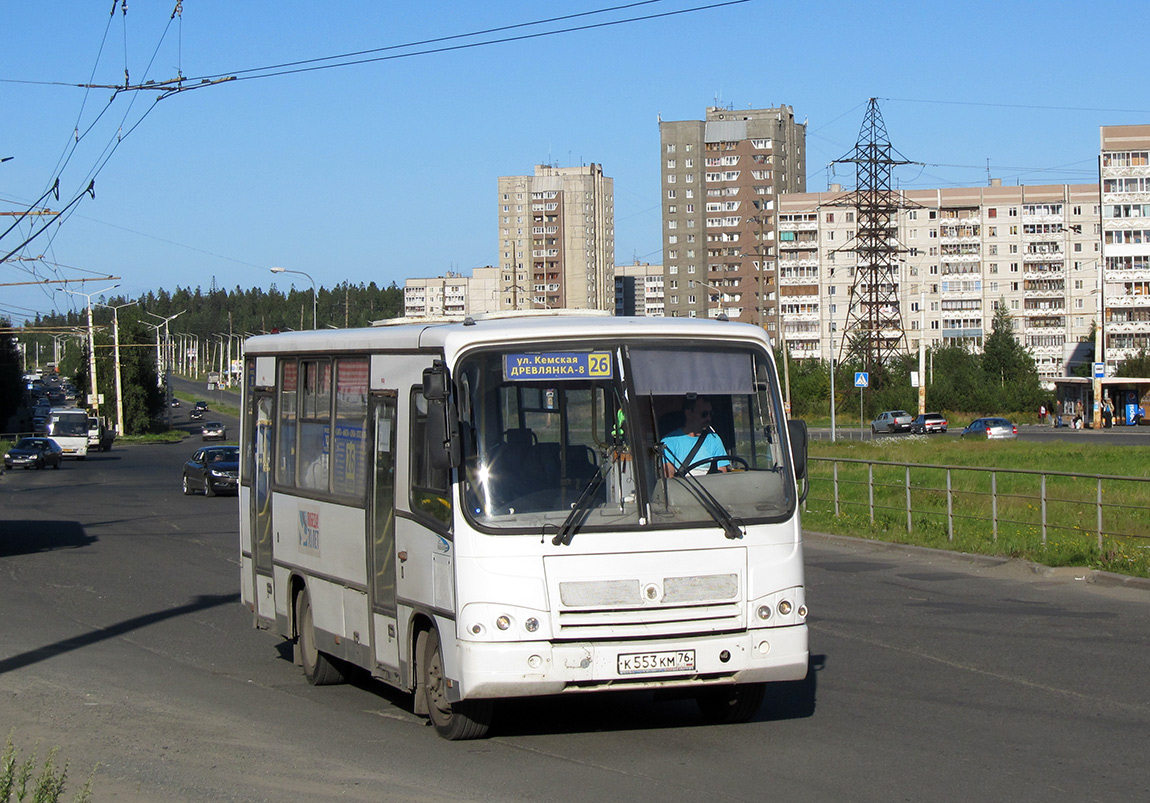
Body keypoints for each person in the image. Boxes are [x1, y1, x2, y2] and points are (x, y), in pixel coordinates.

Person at [661, 396, 730, 477]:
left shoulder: (714, 439)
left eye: (710, 414)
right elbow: (669, 478)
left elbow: (722, 474)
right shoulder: (669, 442)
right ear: (689, 413)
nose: (708, 418)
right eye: (704, 414)